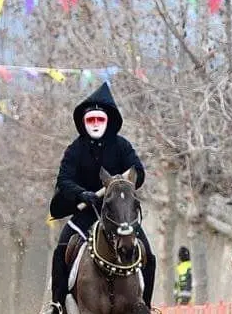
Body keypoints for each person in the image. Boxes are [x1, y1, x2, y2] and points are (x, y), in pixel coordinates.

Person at [47, 82, 156, 313]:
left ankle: (146, 304)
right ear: (84, 123)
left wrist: (121, 184)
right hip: (86, 212)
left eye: (99, 119)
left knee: (148, 253)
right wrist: (81, 193)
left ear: (108, 121)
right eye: (91, 120)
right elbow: (63, 180)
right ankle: (56, 304)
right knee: (60, 251)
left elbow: (138, 170)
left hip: (118, 212)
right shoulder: (75, 149)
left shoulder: (122, 145)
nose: (95, 124)